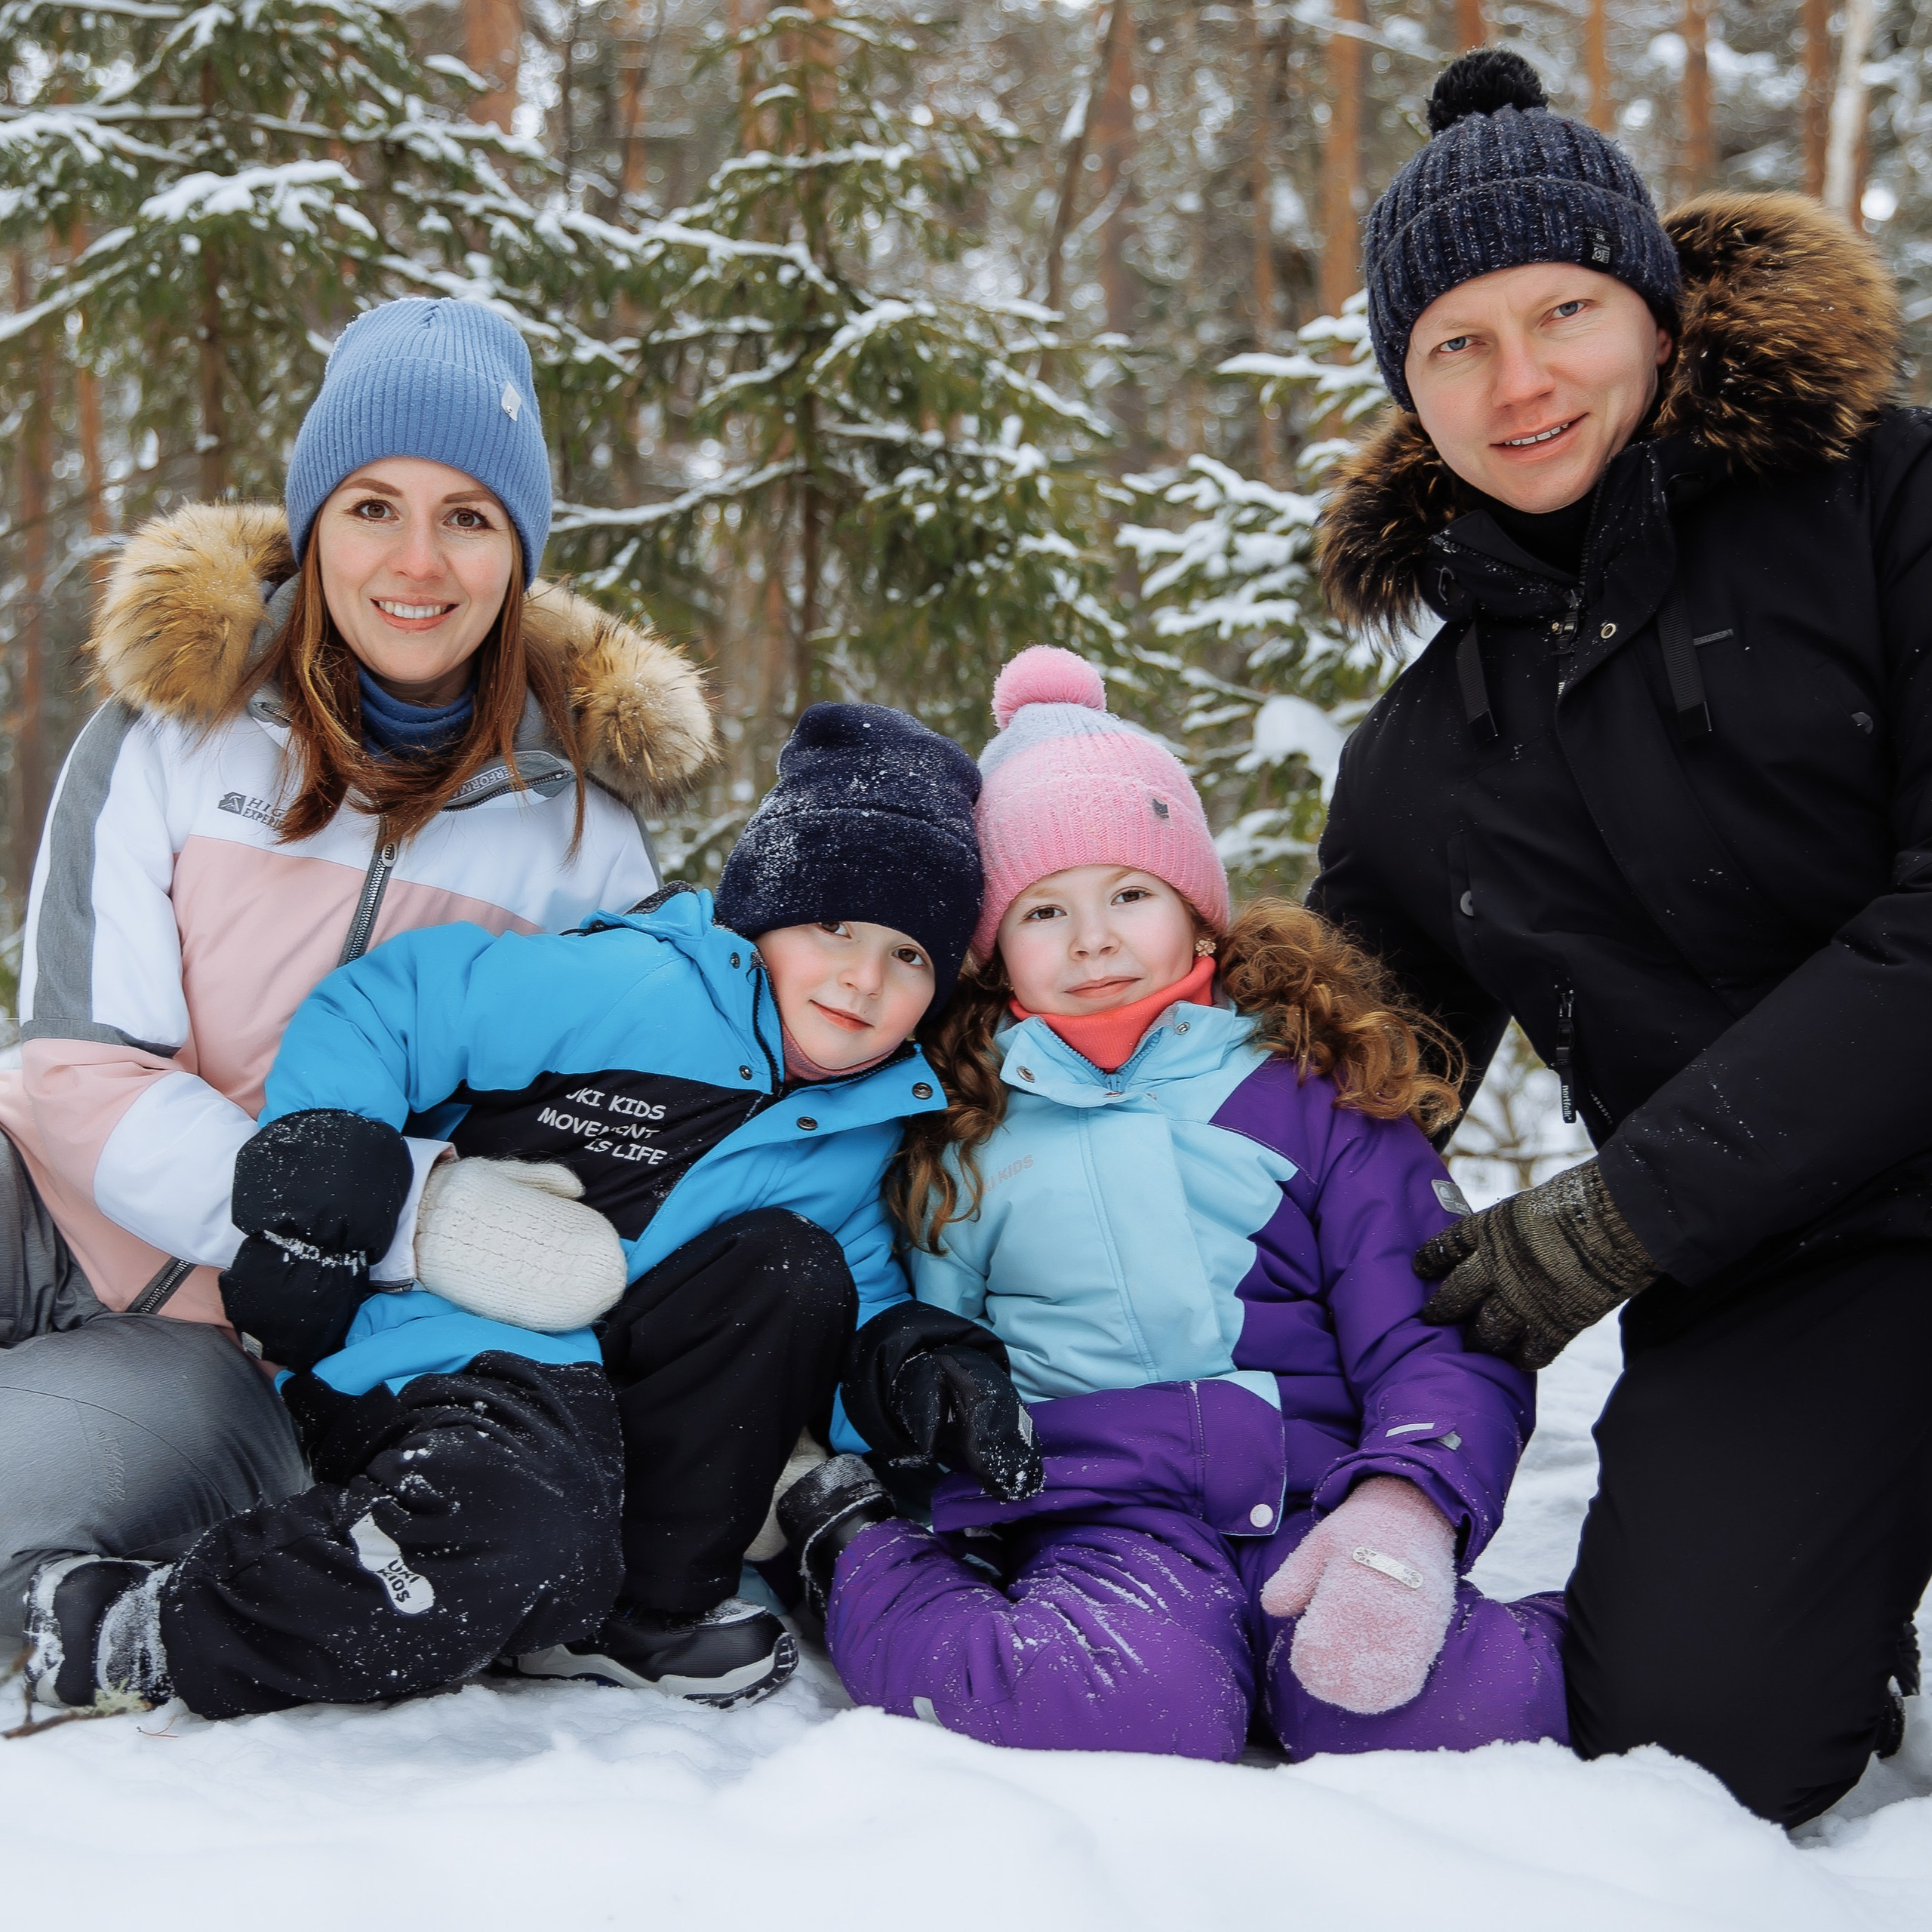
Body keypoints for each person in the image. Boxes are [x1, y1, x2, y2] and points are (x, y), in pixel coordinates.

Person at [1309, 47, 1932, 1824]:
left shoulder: (1884, 501)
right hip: (1793, 1275)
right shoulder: (1422, 757)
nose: (1518, 383)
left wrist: (1619, 1212)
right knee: (1690, 1730)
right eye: (1453, 344)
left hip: (1731, 1196)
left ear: (1650, 307)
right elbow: (1348, 1079)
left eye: (1560, 310)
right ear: (1403, 389)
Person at [22, 702, 983, 1720]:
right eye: (833, 926)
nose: (863, 978)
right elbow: (387, 1005)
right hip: (445, 1348)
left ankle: (638, 1610)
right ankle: (148, 1628)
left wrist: (912, 1371)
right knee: (521, 1534)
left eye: (910, 956)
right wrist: (329, 1175)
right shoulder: (637, 985)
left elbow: (855, 1300)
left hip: (598, 1396)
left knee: (794, 1270)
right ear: (765, 912)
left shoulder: (861, 1121)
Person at [0, 297, 714, 1665]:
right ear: (313, 521)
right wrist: (330, 1206)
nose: (417, 560)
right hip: (49, 1207)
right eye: (372, 506)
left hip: (244, 1351)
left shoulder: (587, 843)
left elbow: (584, 1158)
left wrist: (363, 1250)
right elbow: (80, 1065)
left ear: (519, 553)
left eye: (469, 516)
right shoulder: (167, 732)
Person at [774, 647, 1567, 1761]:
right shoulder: (961, 1132)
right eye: (1043, 910)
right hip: (1104, 1522)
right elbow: (922, 1352)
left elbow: (1435, 1328)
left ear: (1200, 915)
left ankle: (1663, 1647)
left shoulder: (1318, 1093)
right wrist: (917, 1471)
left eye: (1131, 894)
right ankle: (853, 1556)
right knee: (1112, 1712)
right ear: (995, 954)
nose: (1093, 939)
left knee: (1446, 1712)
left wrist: (1408, 1501)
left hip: (1325, 1499)